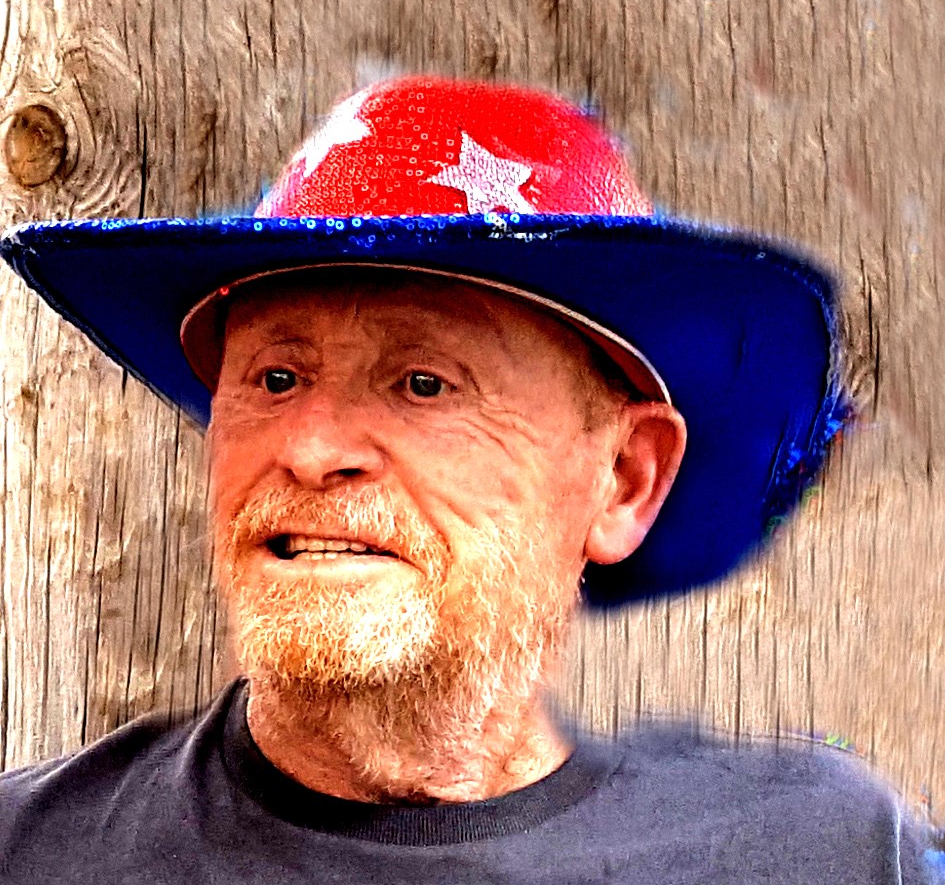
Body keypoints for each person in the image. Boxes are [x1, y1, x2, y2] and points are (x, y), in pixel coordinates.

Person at [0, 76, 935, 883]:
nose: (311, 449)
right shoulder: (29, 855)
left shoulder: (827, 855)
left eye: (422, 384)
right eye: (275, 379)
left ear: (621, 481)